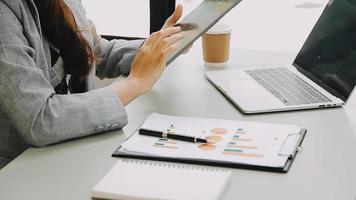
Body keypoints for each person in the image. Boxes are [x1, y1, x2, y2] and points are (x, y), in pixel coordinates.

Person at [0, 0, 185, 169]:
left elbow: (95, 51)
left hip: (73, 153)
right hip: (21, 172)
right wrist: (134, 83)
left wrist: (157, 47)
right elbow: (40, 119)